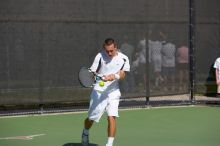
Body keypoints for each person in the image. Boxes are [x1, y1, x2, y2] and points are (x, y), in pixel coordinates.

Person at [81, 38, 130, 146]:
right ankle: (85, 132)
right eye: (107, 51)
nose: (109, 53)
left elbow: (122, 74)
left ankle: (109, 144)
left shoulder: (124, 59)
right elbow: (92, 72)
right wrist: (98, 77)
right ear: (104, 48)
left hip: (113, 92)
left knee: (111, 116)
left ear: (115, 47)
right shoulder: (99, 56)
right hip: (99, 91)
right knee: (91, 118)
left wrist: (114, 76)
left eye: (111, 51)